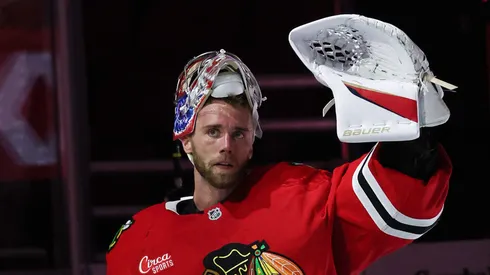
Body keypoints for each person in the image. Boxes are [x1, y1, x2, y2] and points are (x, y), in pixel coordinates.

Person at [106, 17, 453, 275]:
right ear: (186, 140)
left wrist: (411, 113)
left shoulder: (299, 195)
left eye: (239, 133)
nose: (227, 145)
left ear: (252, 143)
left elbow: (403, 192)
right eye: (213, 132)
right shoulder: (138, 241)